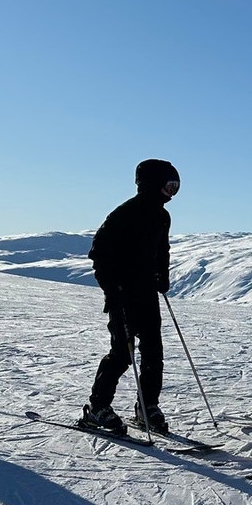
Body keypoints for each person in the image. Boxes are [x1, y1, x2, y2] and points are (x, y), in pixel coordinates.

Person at [79, 159, 179, 435]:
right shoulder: (125, 213)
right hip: (123, 295)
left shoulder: (162, 216)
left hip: (147, 293)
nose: (172, 193)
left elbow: (162, 250)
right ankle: (97, 407)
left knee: (153, 354)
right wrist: (112, 288)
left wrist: (162, 275)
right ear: (152, 183)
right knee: (122, 354)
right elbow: (98, 253)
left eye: (176, 187)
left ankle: (147, 407)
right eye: (169, 186)